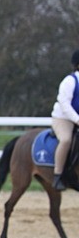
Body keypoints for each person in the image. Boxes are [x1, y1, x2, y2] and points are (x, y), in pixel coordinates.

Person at [50, 49, 79, 191]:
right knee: (66, 139)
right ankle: (58, 175)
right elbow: (64, 104)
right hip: (63, 118)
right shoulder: (70, 81)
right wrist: (78, 120)